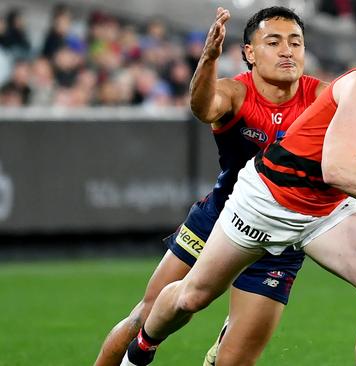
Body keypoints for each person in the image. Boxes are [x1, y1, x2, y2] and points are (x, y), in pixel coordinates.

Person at [122, 32, 356, 366]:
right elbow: (336, 168)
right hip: (268, 197)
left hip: (327, 211)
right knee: (193, 297)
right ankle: (141, 349)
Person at [96, 7, 330, 366]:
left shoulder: (325, 98)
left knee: (234, 362)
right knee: (146, 313)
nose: (287, 50)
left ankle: (224, 342)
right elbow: (202, 106)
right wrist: (208, 60)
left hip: (281, 236)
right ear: (250, 53)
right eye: (274, 41)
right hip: (219, 217)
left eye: (295, 42)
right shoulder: (235, 93)